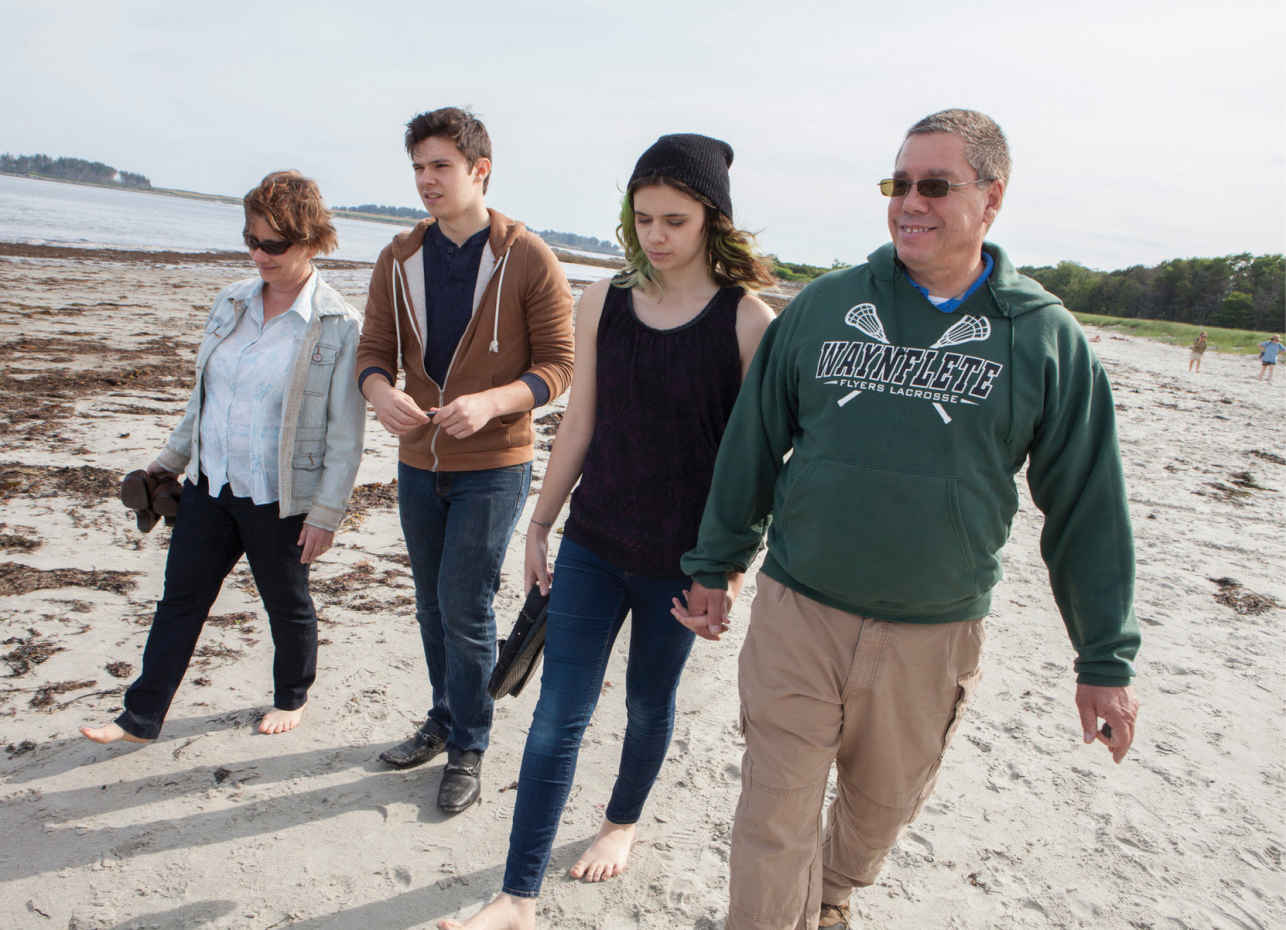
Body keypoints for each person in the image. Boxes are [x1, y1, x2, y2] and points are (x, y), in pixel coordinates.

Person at [674, 110, 1141, 930]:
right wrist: (715, 564)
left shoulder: (1042, 339)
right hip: (800, 611)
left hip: (932, 632)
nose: (909, 203)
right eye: (899, 183)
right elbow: (752, 444)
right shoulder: (824, 309)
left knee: (879, 807)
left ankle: (832, 895)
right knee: (773, 818)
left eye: (935, 185)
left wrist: (1103, 656)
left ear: (992, 199)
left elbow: (1087, 507)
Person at [438, 133, 775, 930]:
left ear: (713, 221)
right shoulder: (603, 301)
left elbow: (753, 463)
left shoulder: (749, 322)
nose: (656, 235)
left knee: (650, 704)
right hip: (593, 542)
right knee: (558, 714)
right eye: (644, 217)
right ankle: (516, 897)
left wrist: (726, 575)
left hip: (681, 564)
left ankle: (621, 821)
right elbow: (579, 421)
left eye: (676, 220)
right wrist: (540, 524)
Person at [81, 171, 365, 744]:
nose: (258, 254)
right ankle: (140, 717)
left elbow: (346, 434)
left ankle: (292, 695)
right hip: (212, 485)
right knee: (179, 600)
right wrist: (167, 462)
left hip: (278, 494)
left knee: (287, 604)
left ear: (311, 241)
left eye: (273, 245)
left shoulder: (338, 326)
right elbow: (204, 400)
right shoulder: (231, 301)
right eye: (251, 240)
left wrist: (326, 513)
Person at [357, 107, 575, 813]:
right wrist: (379, 390)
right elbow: (371, 356)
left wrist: (493, 402)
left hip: (495, 463)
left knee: (464, 604)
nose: (427, 179)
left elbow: (559, 367)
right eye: (418, 167)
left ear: (480, 169)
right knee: (429, 603)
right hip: (419, 460)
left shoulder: (527, 256)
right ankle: (444, 716)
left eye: (440, 166)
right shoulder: (399, 257)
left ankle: (469, 745)